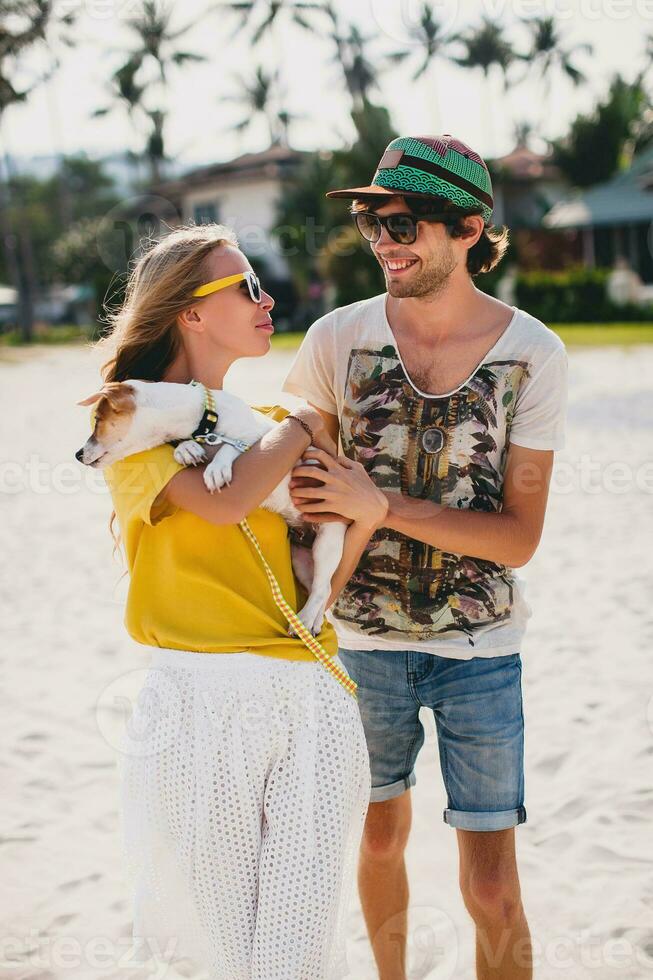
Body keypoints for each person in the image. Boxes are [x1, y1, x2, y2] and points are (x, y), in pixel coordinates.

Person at [282, 134, 568, 980]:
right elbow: (307, 497)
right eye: (372, 221)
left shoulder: (534, 355)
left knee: (490, 890)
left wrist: (384, 506)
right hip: (359, 645)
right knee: (376, 837)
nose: (381, 240)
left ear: (469, 228)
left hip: (480, 649)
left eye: (401, 222)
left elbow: (516, 536)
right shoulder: (336, 339)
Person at [92, 223, 388, 980]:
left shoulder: (257, 428)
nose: (266, 300)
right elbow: (224, 506)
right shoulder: (132, 425)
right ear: (189, 312)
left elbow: (316, 590)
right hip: (197, 706)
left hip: (310, 696)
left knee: (295, 955)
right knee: (219, 955)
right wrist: (303, 425)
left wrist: (369, 518)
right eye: (245, 287)